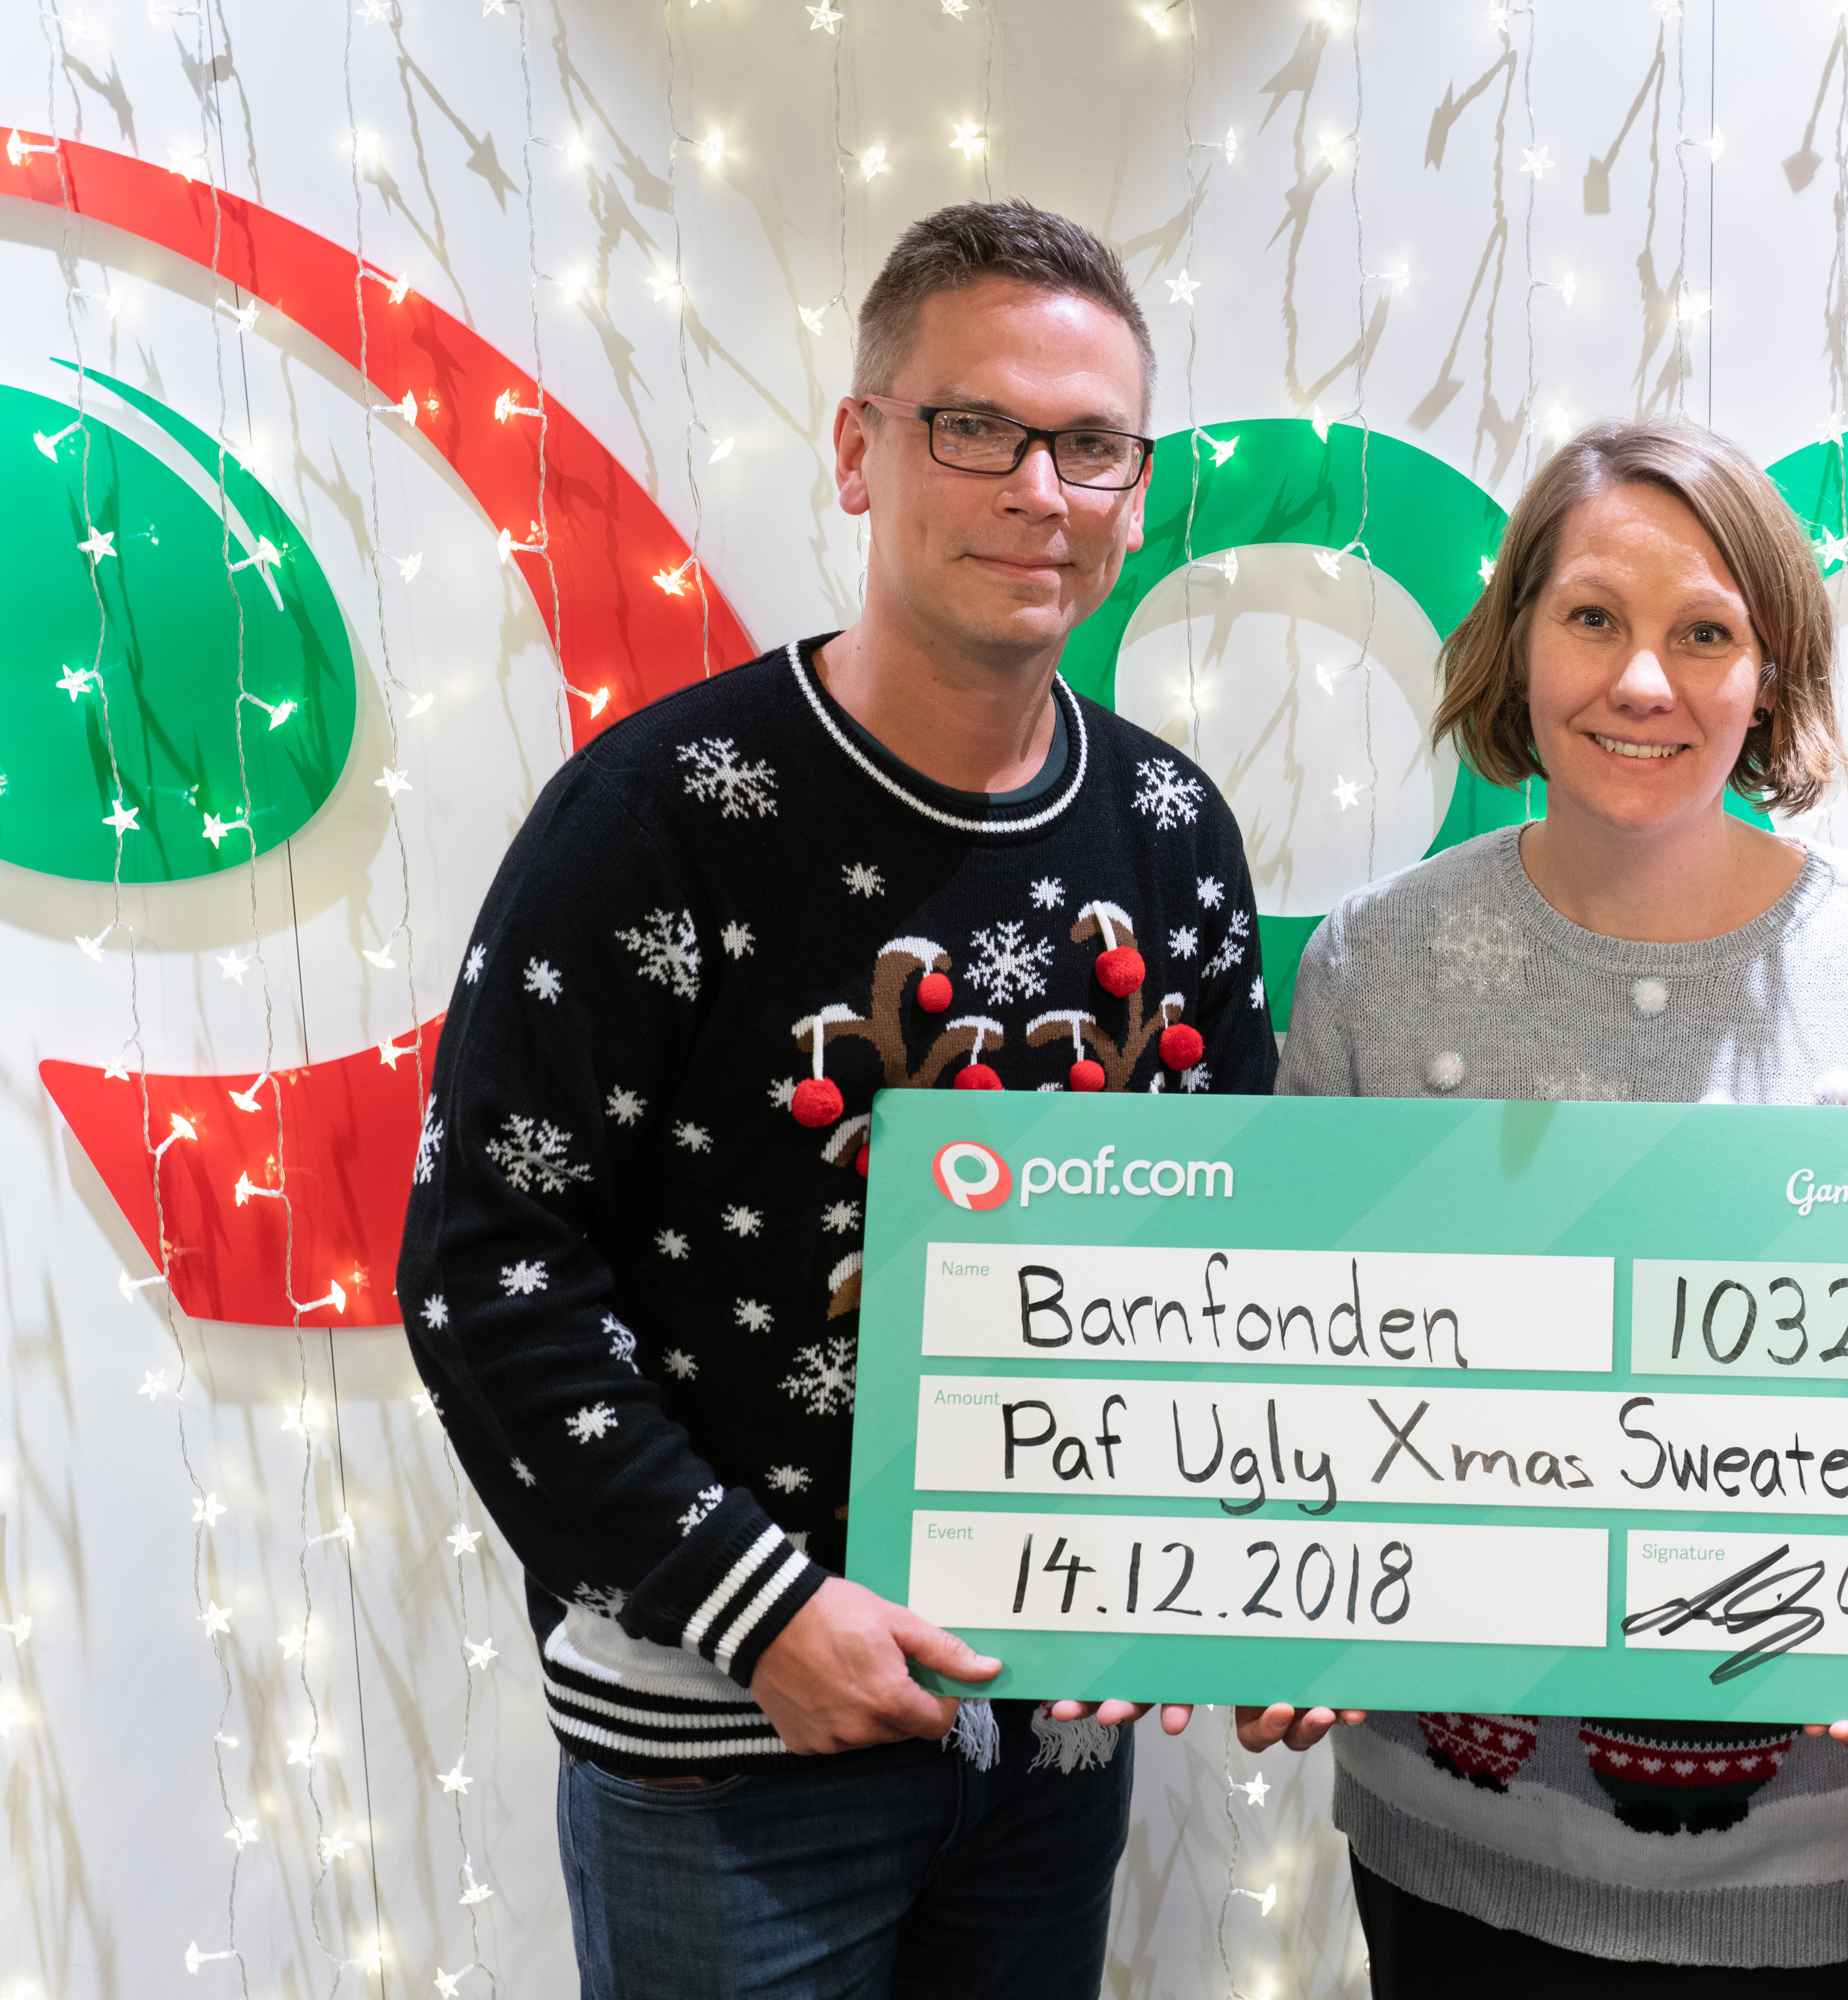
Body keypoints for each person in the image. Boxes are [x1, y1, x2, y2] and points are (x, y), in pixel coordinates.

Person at [398, 200, 1261, 1998]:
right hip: (732, 1744)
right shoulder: (660, 816)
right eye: (977, 427)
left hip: (1051, 1733)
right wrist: (764, 1613)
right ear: (861, 451)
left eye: (1091, 444)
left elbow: (1231, 1246)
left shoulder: (1174, 832)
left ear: (1136, 487)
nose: (1039, 488)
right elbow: (490, 1271)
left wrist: (1227, 1574)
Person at [1255, 418, 1848, 1994]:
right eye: (1594, 617)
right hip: (1443, 1839)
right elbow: (1282, 1357)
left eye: (1706, 634)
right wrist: (1257, 1599)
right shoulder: (1373, 962)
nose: (1642, 683)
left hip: (1797, 1858)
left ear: (1772, 671)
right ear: (1518, 639)